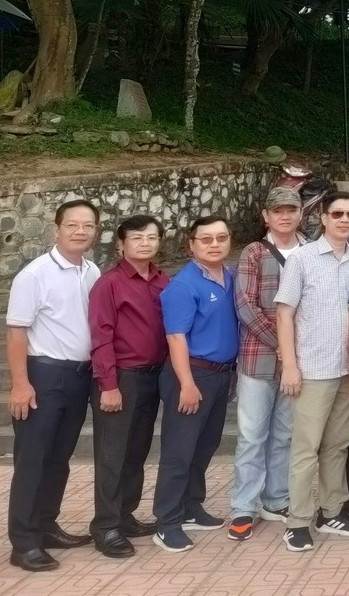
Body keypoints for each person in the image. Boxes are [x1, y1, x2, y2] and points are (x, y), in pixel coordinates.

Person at [5, 199, 102, 572]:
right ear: (56, 229)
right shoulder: (34, 275)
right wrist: (20, 384)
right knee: (33, 460)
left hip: (79, 377)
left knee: (59, 458)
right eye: (72, 225)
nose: (80, 231)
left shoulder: (92, 271)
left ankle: (46, 526)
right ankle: (24, 542)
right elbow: (16, 332)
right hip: (43, 377)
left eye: (88, 225)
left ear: (96, 231)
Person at [276, 191, 349, 552]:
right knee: (306, 449)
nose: (344, 220)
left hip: (347, 370)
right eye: (337, 214)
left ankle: (331, 512)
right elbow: (284, 314)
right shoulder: (301, 259)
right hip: (312, 370)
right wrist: (290, 365)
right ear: (324, 218)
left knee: (338, 446)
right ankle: (297, 521)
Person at [151, 215, 238, 553]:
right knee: (179, 450)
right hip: (191, 374)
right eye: (206, 239)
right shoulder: (183, 285)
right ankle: (167, 521)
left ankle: (191, 506)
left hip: (220, 374)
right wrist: (186, 383)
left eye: (221, 237)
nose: (215, 244)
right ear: (191, 244)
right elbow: (176, 337)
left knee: (204, 446)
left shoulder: (230, 277)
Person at [88, 214, 168, 558]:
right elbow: (101, 336)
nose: (144, 243)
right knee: (112, 455)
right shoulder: (109, 284)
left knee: (136, 451)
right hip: (121, 378)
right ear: (121, 244)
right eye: (136, 238)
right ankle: (105, 526)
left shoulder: (163, 280)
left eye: (151, 237)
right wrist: (108, 384)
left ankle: (125, 515)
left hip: (153, 376)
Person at [227, 187, 303, 542]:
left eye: (291, 210)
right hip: (259, 359)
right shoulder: (254, 253)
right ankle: (243, 507)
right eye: (278, 211)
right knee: (251, 436)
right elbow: (245, 304)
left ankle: (276, 499)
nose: (284, 216)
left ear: (301, 214)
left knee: (285, 435)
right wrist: (282, 344)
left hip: (297, 363)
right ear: (266, 216)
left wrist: (292, 353)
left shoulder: (310, 251)